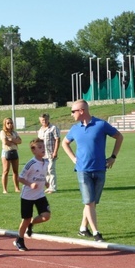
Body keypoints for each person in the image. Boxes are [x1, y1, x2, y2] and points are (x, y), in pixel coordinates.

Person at [61, 99, 123, 243]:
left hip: (101, 168)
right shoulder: (75, 129)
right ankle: (96, 233)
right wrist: (73, 158)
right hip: (83, 170)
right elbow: (65, 143)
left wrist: (113, 157)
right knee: (89, 202)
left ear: (82, 111)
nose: (71, 114)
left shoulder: (101, 125)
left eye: (73, 111)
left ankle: (83, 228)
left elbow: (119, 136)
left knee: (92, 203)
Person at [14, 138, 51, 251]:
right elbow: (19, 178)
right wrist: (30, 184)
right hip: (27, 196)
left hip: (40, 195)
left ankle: (31, 223)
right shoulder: (31, 163)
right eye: (40, 147)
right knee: (25, 219)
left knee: (46, 216)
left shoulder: (46, 162)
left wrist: (45, 182)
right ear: (33, 150)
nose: (43, 149)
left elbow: (41, 175)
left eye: (43, 147)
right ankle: (19, 239)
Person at [37, 113, 60, 194]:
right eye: (42, 120)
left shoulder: (53, 128)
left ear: (48, 119)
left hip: (50, 152)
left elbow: (57, 139)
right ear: (40, 121)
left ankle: (53, 187)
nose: (44, 121)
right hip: (43, 154)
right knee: (45, 171)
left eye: (46, 119)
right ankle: (49, 186)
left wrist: (55, 151)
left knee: (51, 170)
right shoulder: (40, 130)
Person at [0, 117, 22, 193]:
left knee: (15, 171)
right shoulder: (3, 132)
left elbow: (20, 141)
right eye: (8, 123)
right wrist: (14, 142)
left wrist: (12, 140)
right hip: (6, 152)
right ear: (5, 124)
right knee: (5, 171)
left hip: (14, 152)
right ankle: (4, 189)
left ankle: (17, 188)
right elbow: (5, 142)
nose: (10, 124)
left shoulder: (14, 133)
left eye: (11, 123)